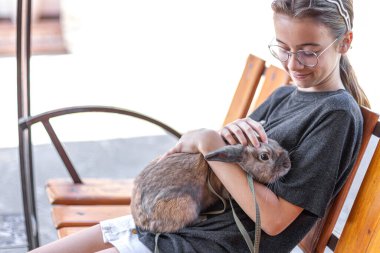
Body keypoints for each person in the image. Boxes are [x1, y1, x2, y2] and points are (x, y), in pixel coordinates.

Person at [29, 0, 369, 252]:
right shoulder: (285, 95)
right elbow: (210, 156)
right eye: (283, 48)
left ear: (345, 42)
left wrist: (211, 146)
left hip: (214, 243)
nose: (293, 63)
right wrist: (207, 139)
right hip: (190, 225)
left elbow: (277, 221)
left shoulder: (337, 114)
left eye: (308, 52)